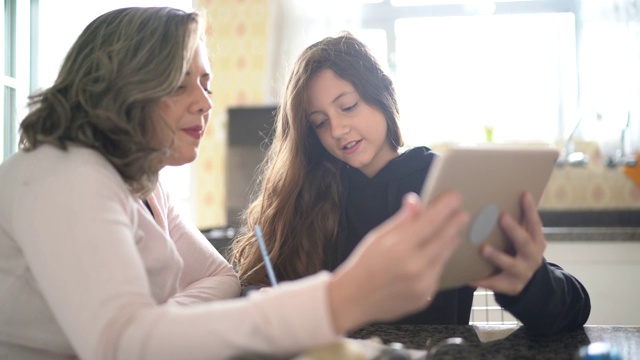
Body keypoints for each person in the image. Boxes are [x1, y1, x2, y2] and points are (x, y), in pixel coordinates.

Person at [0, 7, 472, 360]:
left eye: (206, 83)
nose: (205, 102)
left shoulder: (145, 186)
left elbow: (220, 278)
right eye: (182, 83)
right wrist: (339, 297)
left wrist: (161, 318)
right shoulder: (66, 175)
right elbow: (120, 343)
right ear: (126, 85)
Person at [230, 32, 591, 334]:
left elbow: (573, 308)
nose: (337, 130)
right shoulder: (308, 197)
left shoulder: (448, 183)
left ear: (382, 96)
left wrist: (532, 283)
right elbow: (250, 304)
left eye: (348, 106)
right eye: (320, 122)